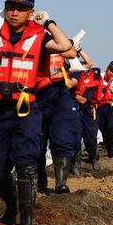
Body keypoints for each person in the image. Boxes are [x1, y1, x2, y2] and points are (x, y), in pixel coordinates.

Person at [0, 0, 72, 225]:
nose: (14, 12)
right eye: (11, 7)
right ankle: (12, 204)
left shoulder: (39, 37)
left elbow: (65, 46)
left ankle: (27, 220)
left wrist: (48, 22)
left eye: (21, 9)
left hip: (25, 110)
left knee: (26, 165)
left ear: (31, 12)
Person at [34, 40, 78, 194]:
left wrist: (50, 26)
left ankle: (61, 183)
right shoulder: (31, 42)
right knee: (37, 143)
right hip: (38, 96)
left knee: (62, 138)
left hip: (60, 94)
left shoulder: (55, 41)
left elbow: (71, 53)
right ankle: (40, 181)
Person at [74, 62, 102, 172]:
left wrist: (72, 94)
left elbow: (84, 100)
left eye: (84, 65)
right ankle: (75, 163)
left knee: (90, 138)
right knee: (75, 136)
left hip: (88, 111)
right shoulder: (76, 75)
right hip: (75, 109)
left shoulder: (94, 78)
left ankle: (93, 158)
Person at [96, 61, 113, 158]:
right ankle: (108, 148)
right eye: (110, 70)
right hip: (100, 106)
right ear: (107, 69)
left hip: (111, 106)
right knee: (102, 128)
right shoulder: (100, 78)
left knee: (110, 127)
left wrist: (108, 86)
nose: (111, 72)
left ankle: (112, 148)